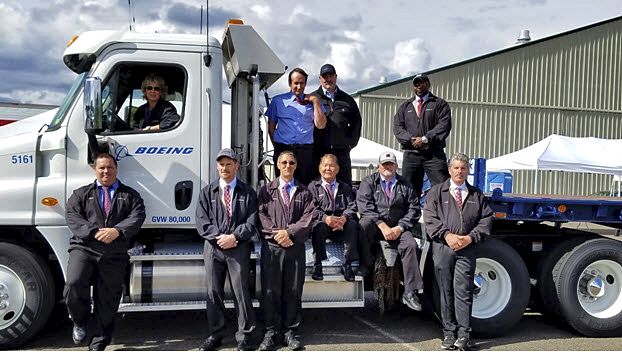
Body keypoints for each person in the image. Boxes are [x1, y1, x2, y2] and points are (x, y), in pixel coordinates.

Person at [64, 153, 145, 351]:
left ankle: (98, 344)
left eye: (109, 167)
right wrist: (94, 232)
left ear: (116, 169)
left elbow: (138, 215)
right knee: (74, 284)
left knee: (108, 299)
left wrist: (116, 231)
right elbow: (72, 215)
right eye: (101, 168)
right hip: (84, 248)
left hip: (114, 252)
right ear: (95, 170)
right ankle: (80, 320)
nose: (106, 171)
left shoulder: (130, 195)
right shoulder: (81, 193)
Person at [424, 153, 493, 351]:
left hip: (467, 248)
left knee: (463, 292)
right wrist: (447, 236)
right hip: (443, 248)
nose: (459, 171)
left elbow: (486, 220)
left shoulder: (476, 195)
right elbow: (430, 218)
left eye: (463, 168)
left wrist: (470, 238)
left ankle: (464, 335)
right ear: (449, 170)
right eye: (456, 168)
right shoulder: (437, 192)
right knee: (445, 292)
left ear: (467, 170)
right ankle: (448, 334)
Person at [195, 148, 257, 351]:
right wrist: (218, 238)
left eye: (229, 163)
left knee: (241, 292)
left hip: (238, 247)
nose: (225, 168)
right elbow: (202, 221)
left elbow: (252, 221)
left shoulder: (248, 192)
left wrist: (235, 237)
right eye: (221, 164)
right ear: (217, 166)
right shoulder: (207, 192)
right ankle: (216, 335)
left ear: (236, 166)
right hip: (214, 248)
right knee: (213, 292)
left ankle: (245, 336)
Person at [257, 151, 315, 351]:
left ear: (296, 165)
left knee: (293, 291)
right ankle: (271, 331)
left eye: (291, 162)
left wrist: (289, 233)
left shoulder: (305, 192)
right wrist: (278, 235)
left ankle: (291, 332)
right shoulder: (265, 191)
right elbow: (262, 216)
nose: (288, 165)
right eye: (284, 162)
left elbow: (308, 218)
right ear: (278, 165)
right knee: (270, 291)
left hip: (295, 248)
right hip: (272, 248)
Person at [356, 151, 423, 311]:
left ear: (396, 166)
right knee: (363, 224)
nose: (387, 167)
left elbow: (414, 208)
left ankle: (410, 291)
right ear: (379, 166)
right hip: (376, 225)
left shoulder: (405, 185)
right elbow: (364, 206)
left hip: (398, 227)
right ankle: (365, 264)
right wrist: (381, 224)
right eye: (384, 164)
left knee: (411, 245)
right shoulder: (369, 182)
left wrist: (400, 227)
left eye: (391, 164)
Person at [392, 73, 451, 197]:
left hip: (433, 154)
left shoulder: (439, 104)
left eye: (422, 82)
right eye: (416, 83)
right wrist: (411, 139)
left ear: (428, 84)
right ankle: (409, 216)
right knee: (407, 190)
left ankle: (442, 215)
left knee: (442, 188)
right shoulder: (405, 106)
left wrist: (425, 139)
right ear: (413, 86)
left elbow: (444, 125)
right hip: (411, 154)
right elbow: (397, 128)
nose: (419, 85)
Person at [266, 67, 327, 185]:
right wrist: (278, 146)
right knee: (283, 185)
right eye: (296, 83)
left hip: (305, 152)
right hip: (283, 148)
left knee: (304, 186)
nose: (299, 87)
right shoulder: (278, 101)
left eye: (302, 83)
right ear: (290, 83)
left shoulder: (313, 101)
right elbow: (271, 127)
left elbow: (321, 125)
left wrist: (315, 102)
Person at [308, 154, 359, 281]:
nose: (328, 168)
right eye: (325, 165)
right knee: (317, 227)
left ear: (337, 169)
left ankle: (347, 264)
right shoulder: (313, 186)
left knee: (353, 225)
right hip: (323, 224)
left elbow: (352, 206)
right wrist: (325, 218)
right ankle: (317, 264)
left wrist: (344, 218)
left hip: (341, 224)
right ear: (320, 168)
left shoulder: (345, 187)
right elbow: (311, 209)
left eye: (331, 165)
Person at [310, 64, 362, 185]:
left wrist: (349, 144)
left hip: (341, 153)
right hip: (318, 153)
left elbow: (357, 124)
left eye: (331, 75)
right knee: (316, 186)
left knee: (344, 187)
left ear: (336, 77)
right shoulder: (312, 98)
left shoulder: (347, 100)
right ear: (320, 79)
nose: (328, 79)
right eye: (325, 76)